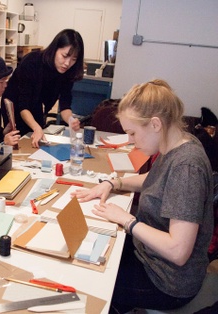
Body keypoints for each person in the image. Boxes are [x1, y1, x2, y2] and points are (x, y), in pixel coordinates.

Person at [72, 79, 214, 313]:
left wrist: (127, 220)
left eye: (133, 133)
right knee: (92, 247)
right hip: (149, 255)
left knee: (87, 281)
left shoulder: (186, 167)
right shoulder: (179, 143)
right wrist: (113, 182)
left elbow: (178, 251)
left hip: (167, 281)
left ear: (155, 124)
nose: (130, 141)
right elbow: (153, 179)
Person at [2, 29, 85, 148]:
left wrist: (71, 120)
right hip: (15, 104)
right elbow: (23, 105)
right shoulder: (32, 62)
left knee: (37, 139)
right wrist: (36, 127)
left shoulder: (68, 71)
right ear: (55, 48)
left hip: (36, 104)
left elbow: (65, 106)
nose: (67, 63)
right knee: (18, 141)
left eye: (73, 59)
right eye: (65, 56)